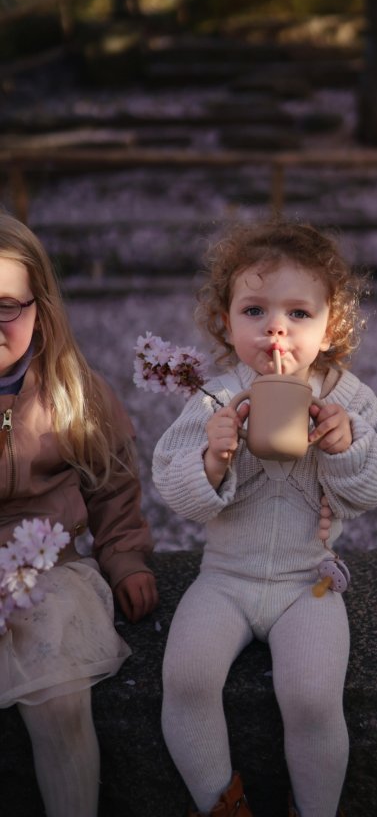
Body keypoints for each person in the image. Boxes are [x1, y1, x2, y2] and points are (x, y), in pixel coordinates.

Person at [152, 220, 377, 817]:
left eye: (299, 313)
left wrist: (346, 446)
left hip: (306, 582)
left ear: (331, 323)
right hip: (225, 578)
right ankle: (222, 805)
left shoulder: (349, 397)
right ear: (226, 320)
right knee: (185, 680)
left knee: (313, 697)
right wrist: (212, 457)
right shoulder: (215, 396)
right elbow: (171, 484)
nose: (276, 329)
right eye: (255, 310)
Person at [0, 212, 159, 817]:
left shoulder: (72, 390)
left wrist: (123, 556)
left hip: (51, 572)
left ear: (39, 306)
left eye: (6, 305)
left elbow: (113, 481)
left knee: (60, 702)